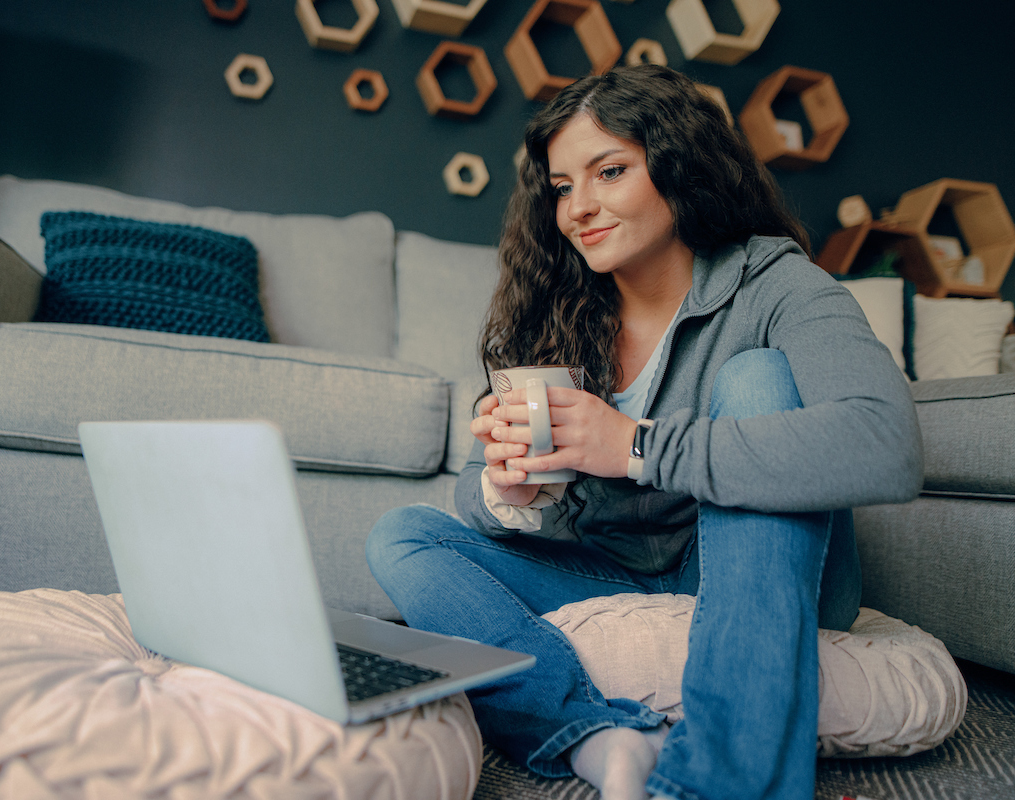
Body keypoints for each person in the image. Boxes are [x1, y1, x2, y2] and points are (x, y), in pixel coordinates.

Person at [366, 64, 923, 800]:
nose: (579, 209)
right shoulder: (557, 308)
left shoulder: (775, 284)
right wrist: (511, 491)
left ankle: (718, 784)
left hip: (762, 569)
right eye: (563, 186)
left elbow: (887, 445)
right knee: (404, 534)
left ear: (678, 166)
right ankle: (597, 738)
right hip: (617, 568)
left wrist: (632, 444)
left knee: (755, 378)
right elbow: (479, 491)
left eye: (610, 171)